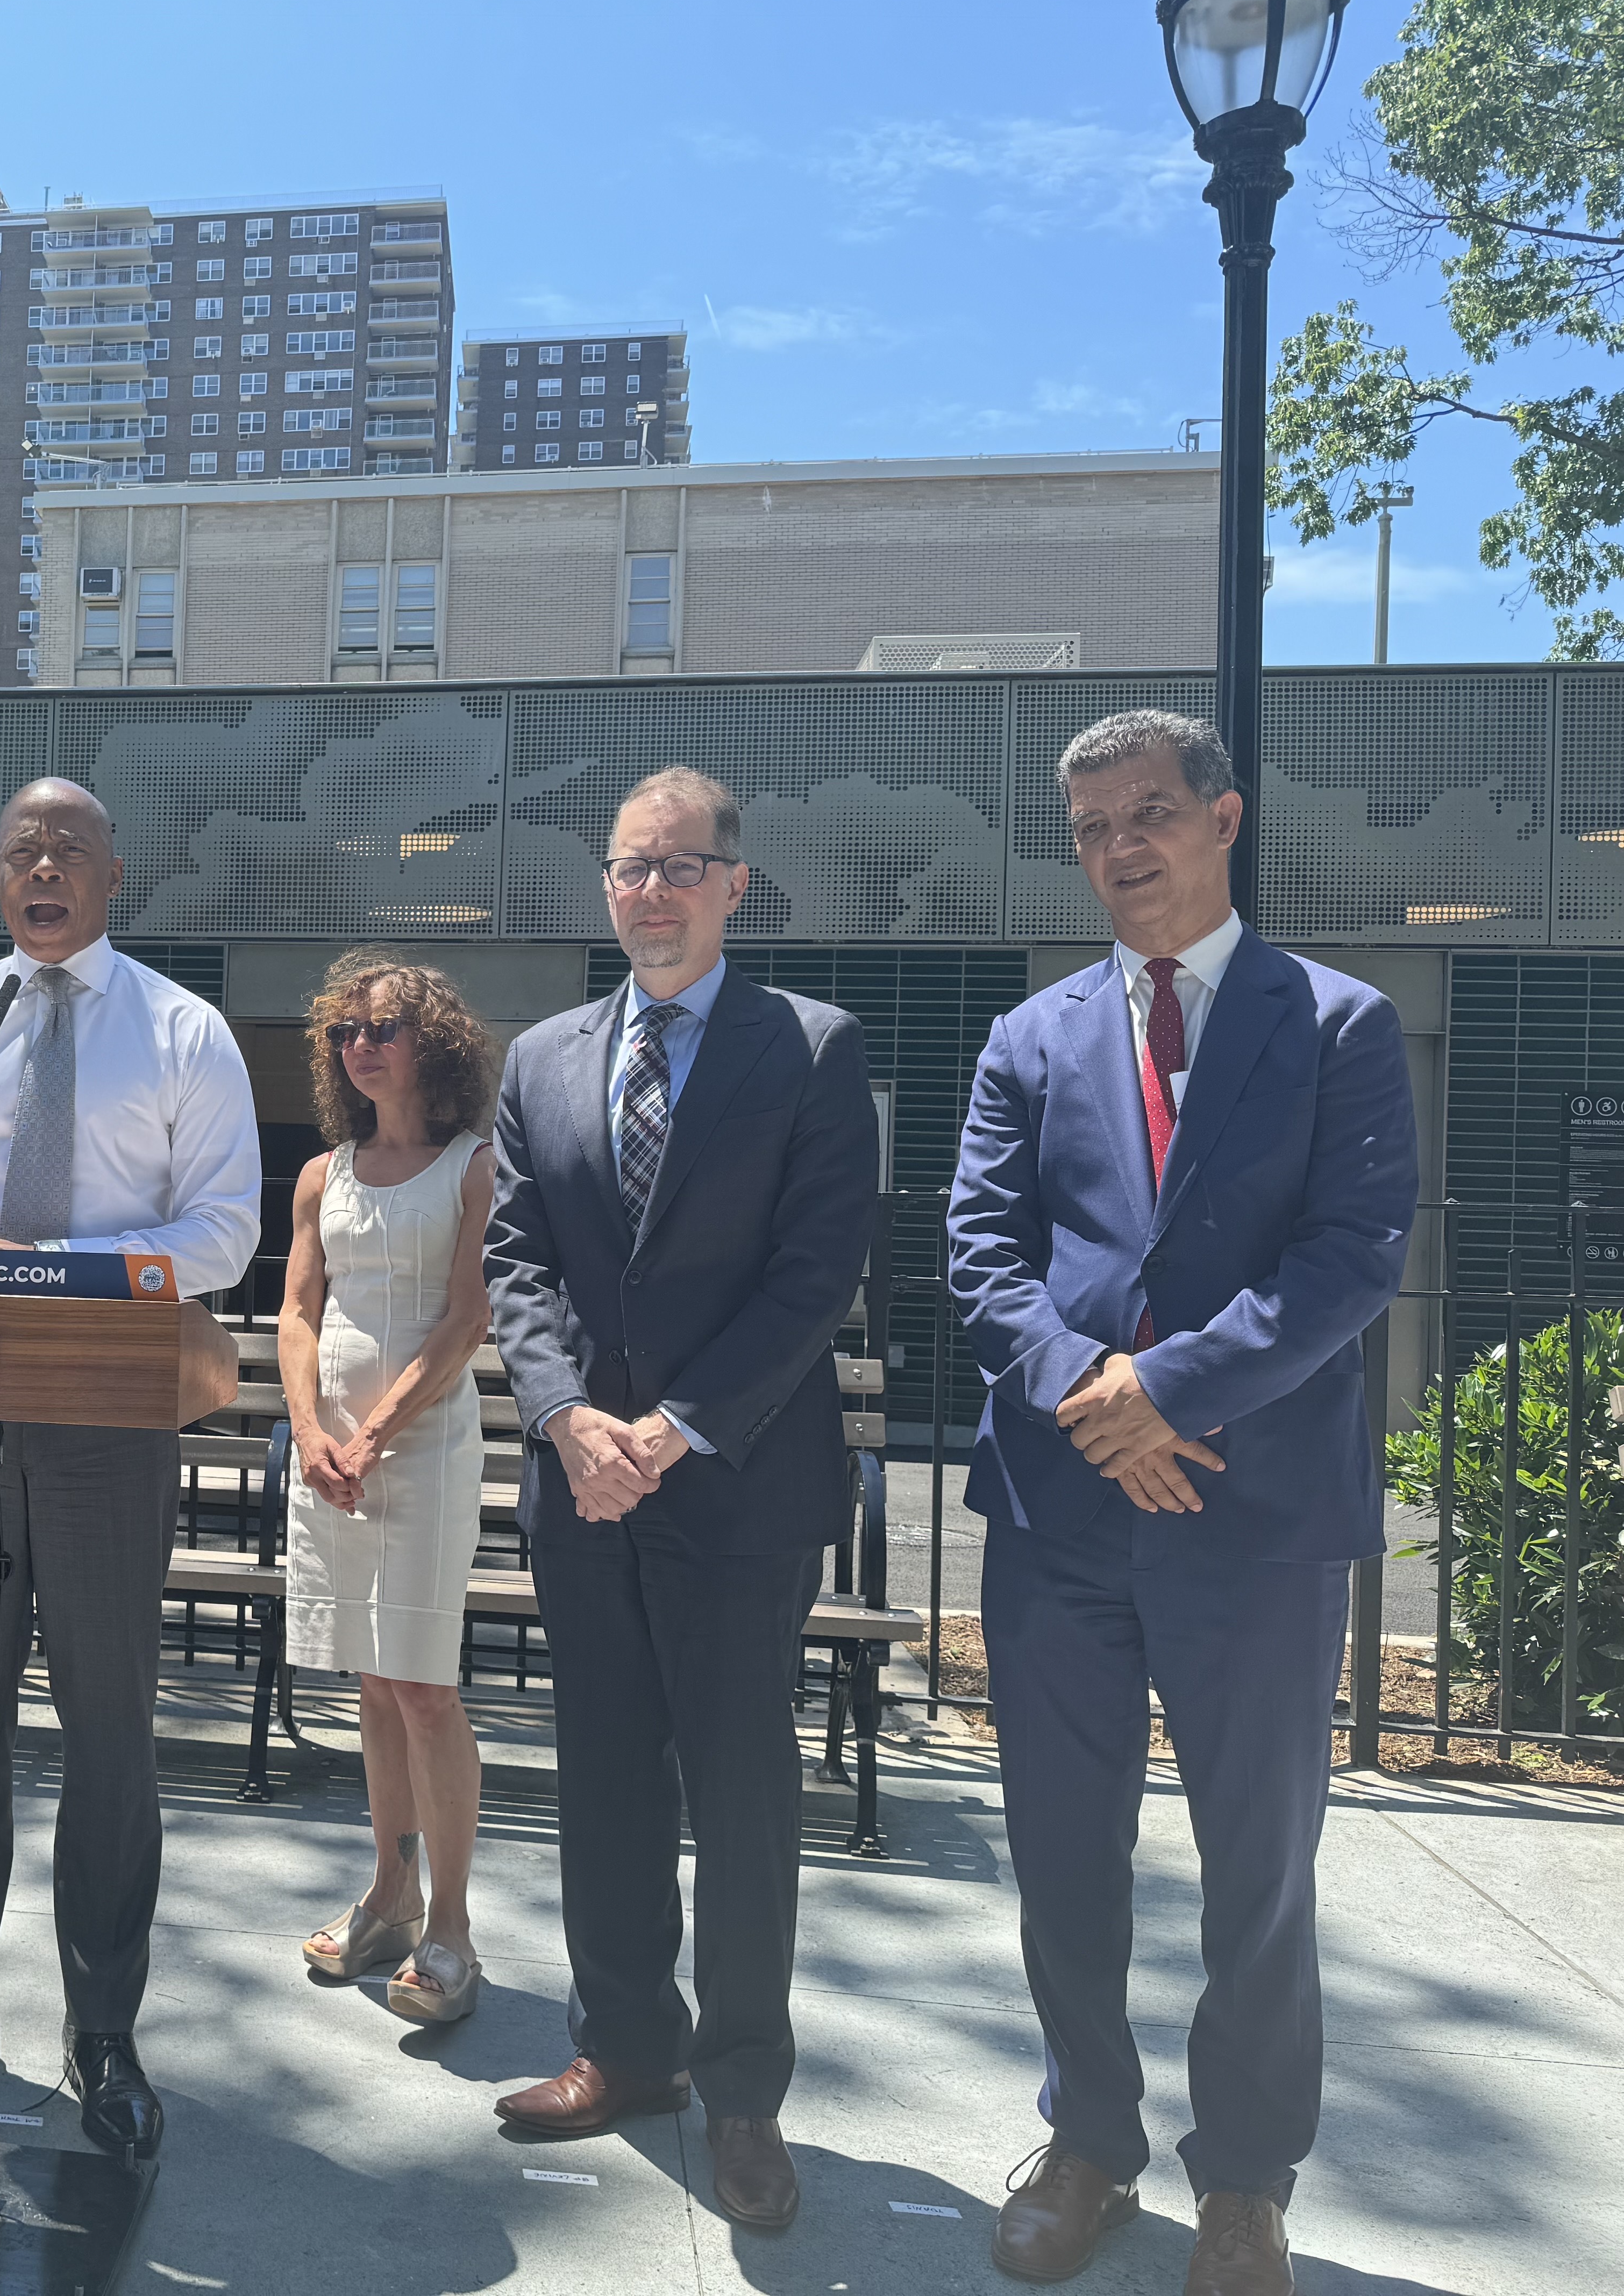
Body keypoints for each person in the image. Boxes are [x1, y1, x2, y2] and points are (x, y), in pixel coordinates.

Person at [948, 711, 1414, 2296]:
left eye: (1150, 813)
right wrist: (1100, 1397)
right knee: (1061, 1852)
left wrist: (1174, 1391)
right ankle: (1088, 2142)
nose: (1120, 847)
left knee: (1259, 1868)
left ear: (1225, 818)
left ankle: (1247, 2181)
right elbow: (982, 1255)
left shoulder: (1338, 1021)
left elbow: (1353, 1257)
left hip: (1258, 1513)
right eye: (1090, 827)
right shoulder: (1032, 1036)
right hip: (1063, 1516)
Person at [483, 767, 877, 2233]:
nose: (651, 890)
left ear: (734, 882)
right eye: (630, 867)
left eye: (681, 865)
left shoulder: (812, 1051)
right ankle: (625, 2048)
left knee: (742, 1793)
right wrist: (571, 1418)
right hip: (580, 1485)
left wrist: (676, 1428)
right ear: (607, 886)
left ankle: (744, 2096)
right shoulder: (542, 1059)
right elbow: (516, 1265)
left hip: (737, 1486)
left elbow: (814, 1274)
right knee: (604, 1778)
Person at [0, 776, 261, 2160]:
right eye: (20, 847)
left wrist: (78, 1280)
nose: (42, 866)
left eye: (68, 849)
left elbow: (222, 1230)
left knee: (108, 1736)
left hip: (107, 1422)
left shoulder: (182, 1031)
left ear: (112, 876)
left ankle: (105, 2032)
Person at [280, 952, 499, 2026]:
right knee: (370, 1683)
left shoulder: (474, 1167)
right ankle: (390, 1893)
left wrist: (370, 1431)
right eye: (346, 1033)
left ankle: (452, 1929)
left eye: (383, 1030)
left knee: (425, 1686)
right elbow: (295, 1315)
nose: (361, 1046)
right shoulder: (324, 1174)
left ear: (435, 1045)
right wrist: (312, 1430)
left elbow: (467, 1320)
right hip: (334, 1458)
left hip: (425, 1447)